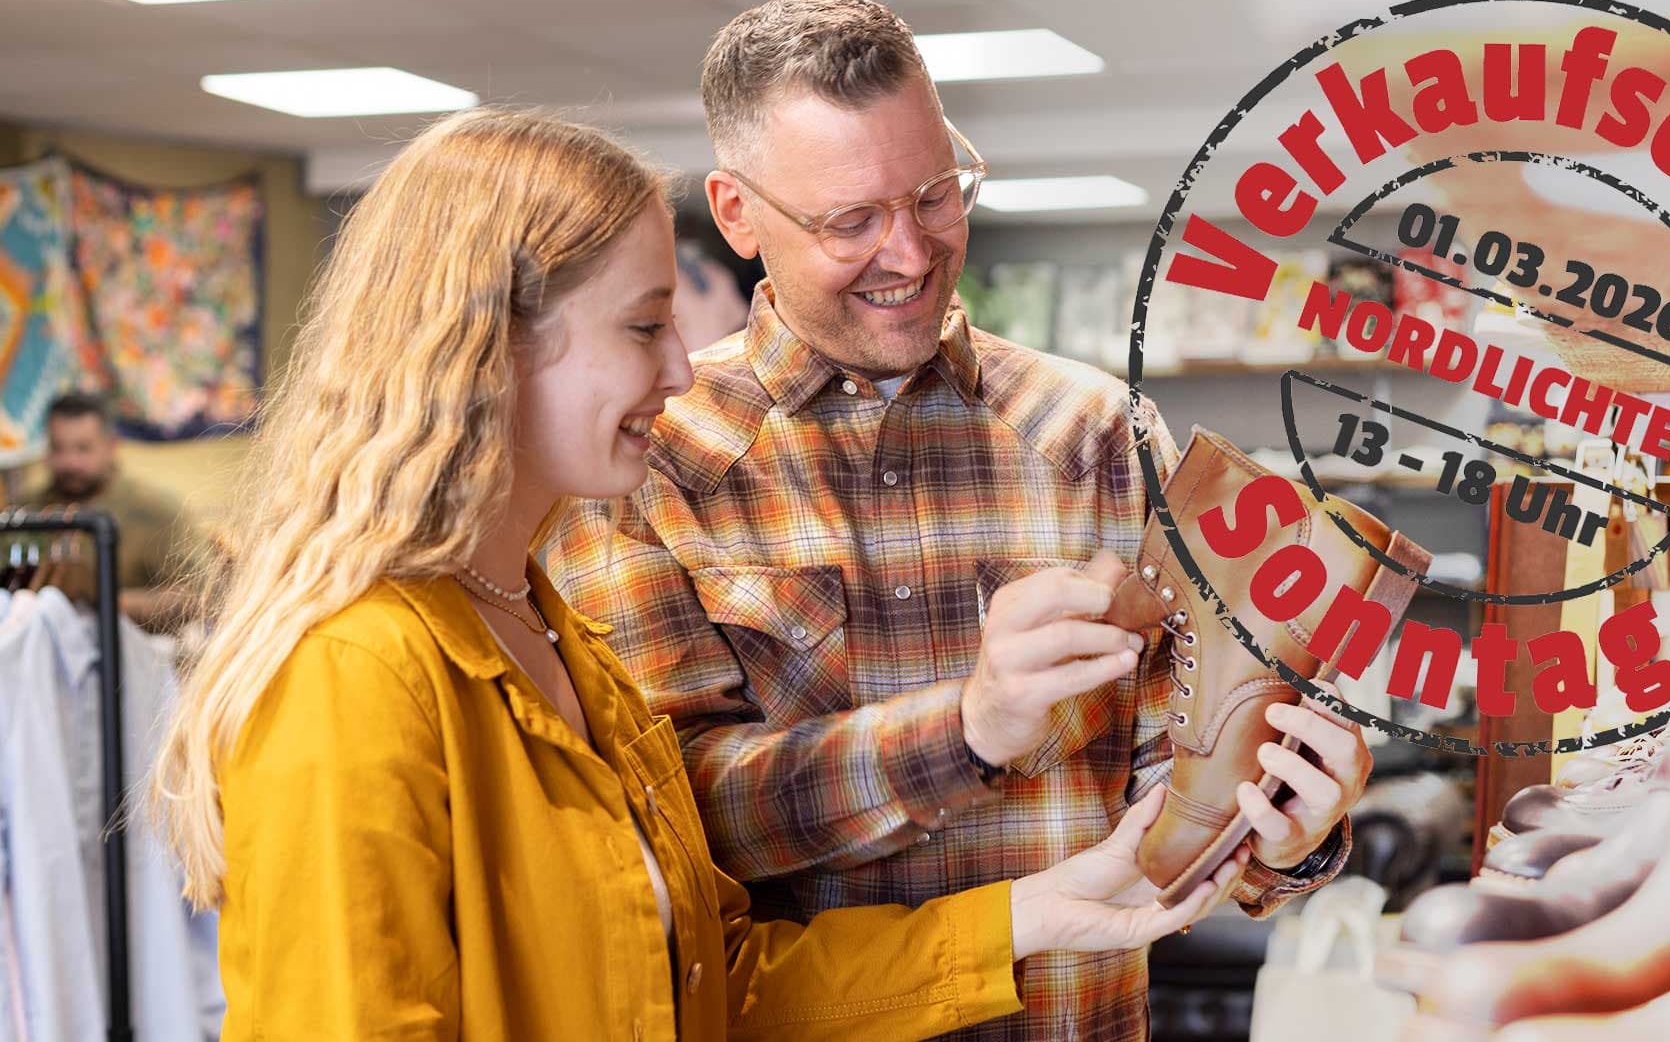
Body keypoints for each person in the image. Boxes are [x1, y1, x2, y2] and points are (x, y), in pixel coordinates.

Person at [144, 107, 1242, 1042]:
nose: (680, 370)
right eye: (643, 327)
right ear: (491, 348)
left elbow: (720, 988)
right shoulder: (356, 677)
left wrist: (1034, 915)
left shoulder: (554, 643)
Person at [547, 0, 1374, 1038]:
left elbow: (1182, 777)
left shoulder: (1100, 433)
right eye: (850, 221)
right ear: (737, 212)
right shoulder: (643, 459)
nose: (909, 252)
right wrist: (970, 728)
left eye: (936, 195)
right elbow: (671, 834)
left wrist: (1279, 827)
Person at [30, 392, 198, 628]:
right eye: (58, 448)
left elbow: (197, 597)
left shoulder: (155, 510)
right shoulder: (28, 509)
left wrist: (105, 603)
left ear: (111, 447)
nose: (70, 462)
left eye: (83, 449)